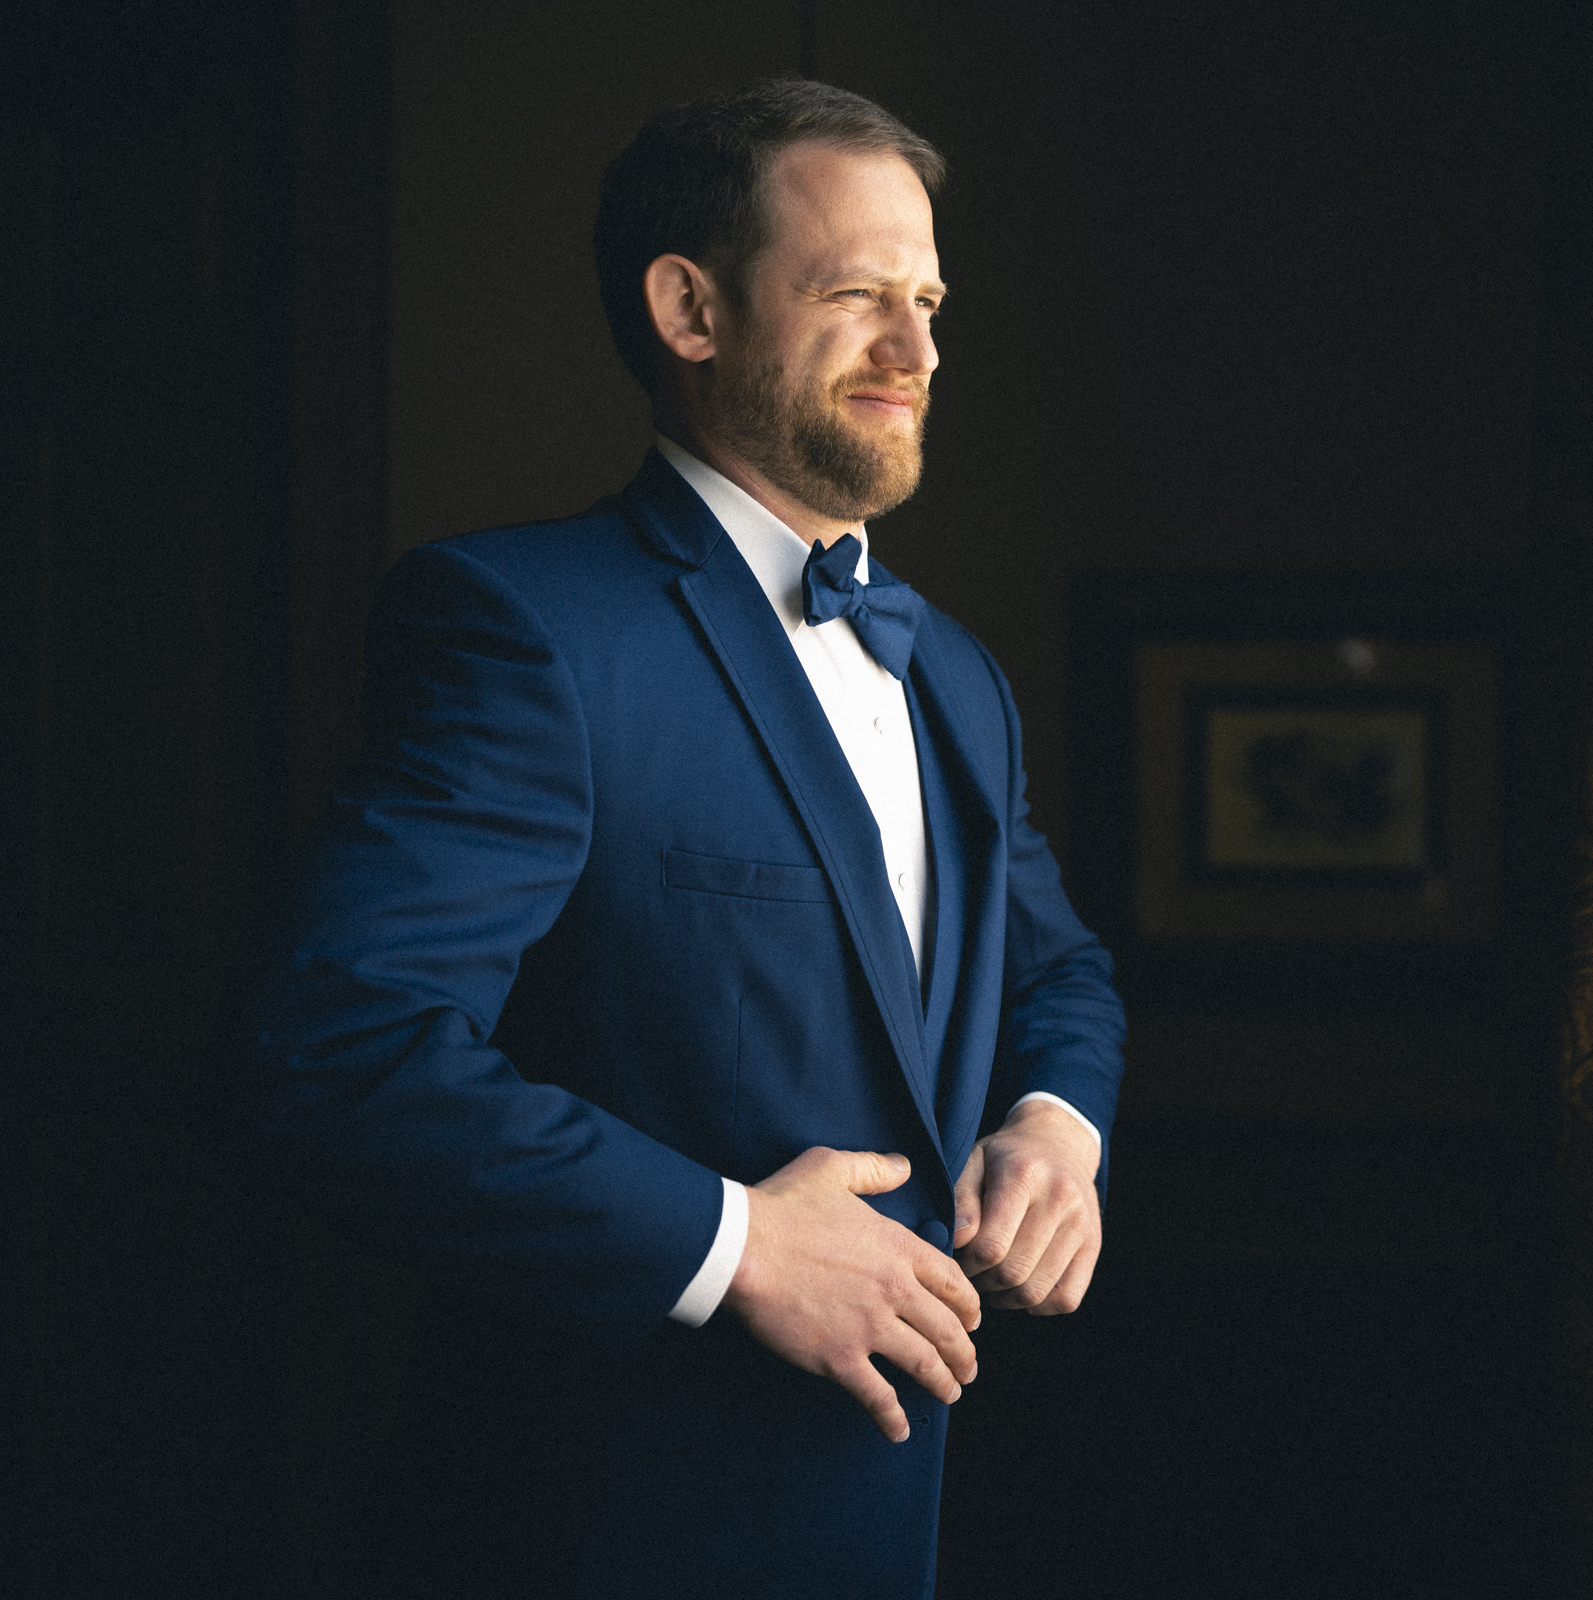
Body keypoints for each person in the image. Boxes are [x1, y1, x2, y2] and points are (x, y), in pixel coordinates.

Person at [239, 77, 1125, 1598]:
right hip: (604, 1531)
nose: (918, 352)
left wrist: (1059, 1128)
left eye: (929, 302)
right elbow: (339, 1046)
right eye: (857, 295)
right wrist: (735, 1247)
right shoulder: (523, 626)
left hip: (897, 1526)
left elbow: (1058, 975)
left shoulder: (956, 675)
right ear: (689, 309)